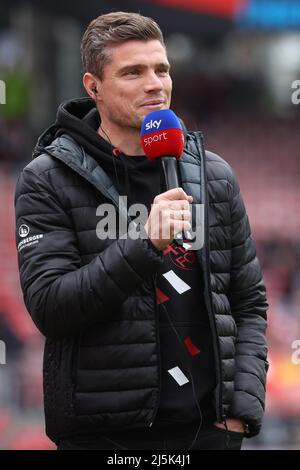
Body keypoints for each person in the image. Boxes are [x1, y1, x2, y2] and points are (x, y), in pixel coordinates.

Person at [15, 12, 268, 450]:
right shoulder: (48, 177)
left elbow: (247, 301)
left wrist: (241, 412)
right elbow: (51, 308)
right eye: (133, 72)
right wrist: (144, 244)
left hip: (206, 434)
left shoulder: (214, 174)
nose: (156, 84)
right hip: (104, 437)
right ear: (93, 86)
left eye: (162, 69)